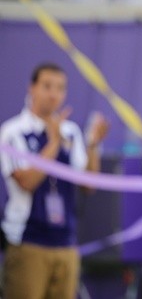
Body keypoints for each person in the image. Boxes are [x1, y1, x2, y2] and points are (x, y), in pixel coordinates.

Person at [0, 62, 109, 299]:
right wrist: (54, 143)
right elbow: (26, 182)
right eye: (47, 86)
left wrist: (93, 145)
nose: (53, 94)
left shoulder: (71, 132)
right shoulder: (13, 132)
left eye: (60, 88)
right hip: (28, 242)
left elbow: (88, 184)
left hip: (66, 242)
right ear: (32, 88)